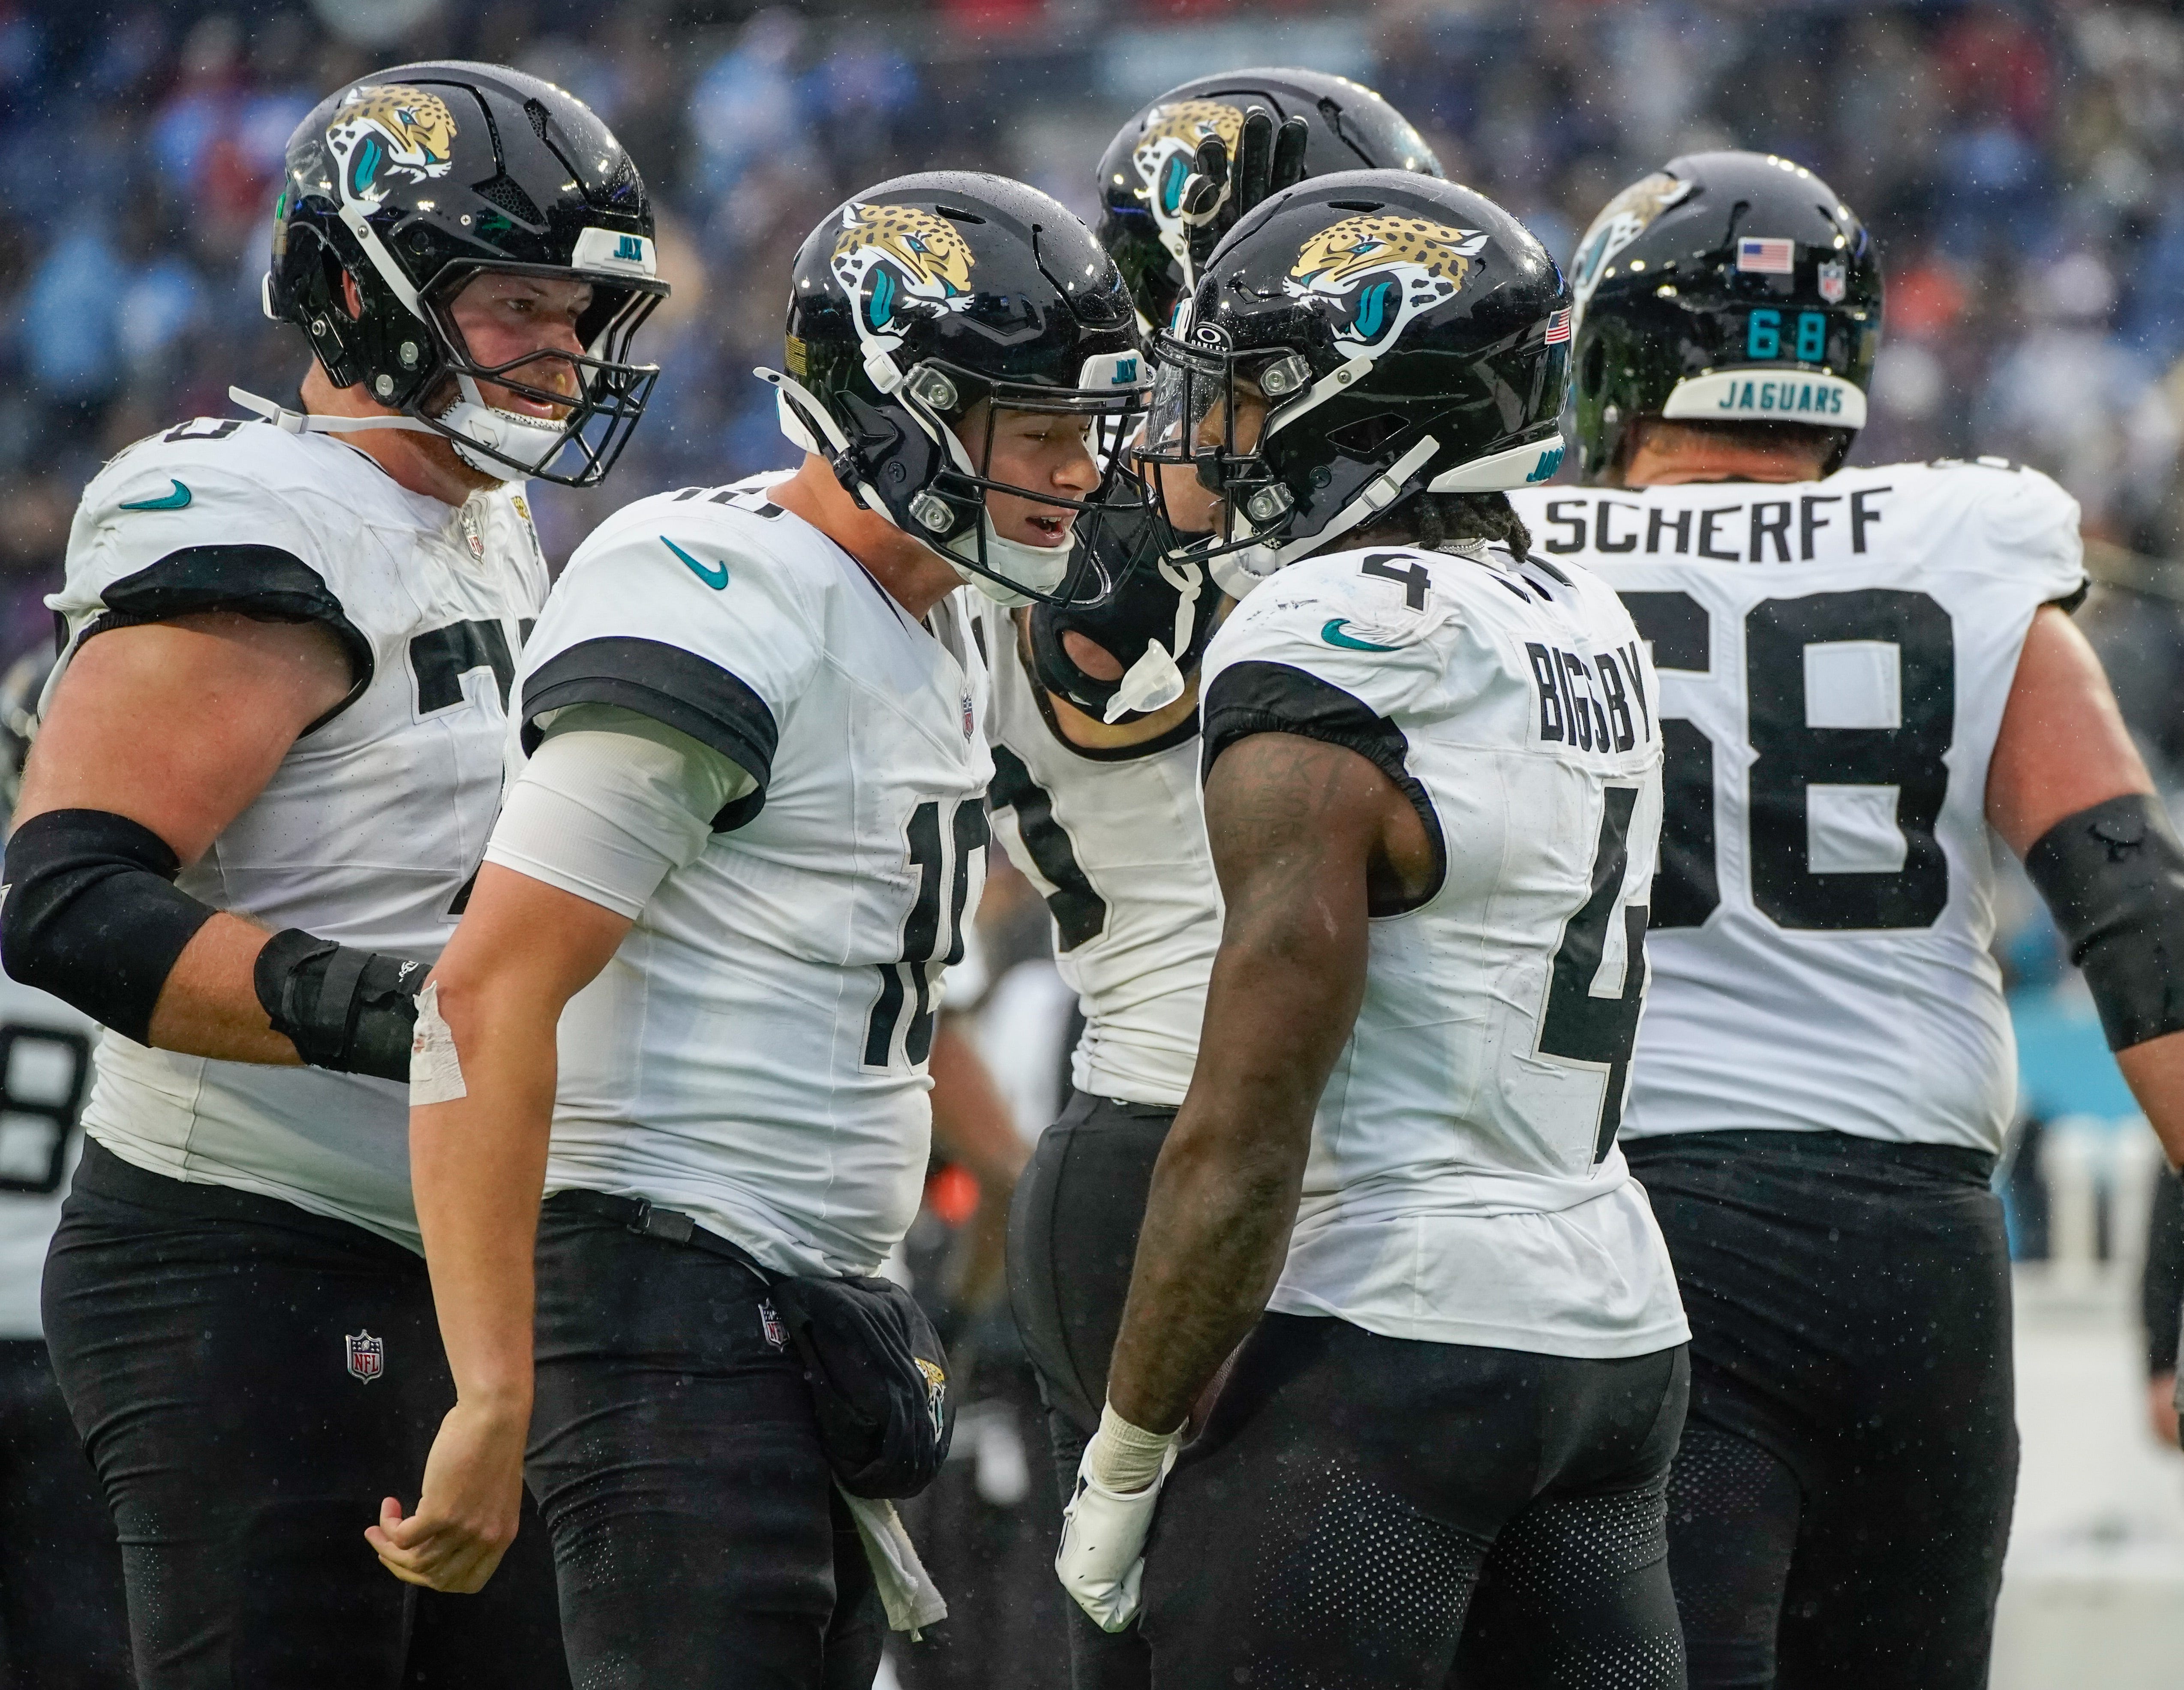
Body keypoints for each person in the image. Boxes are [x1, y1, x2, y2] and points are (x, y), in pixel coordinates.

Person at [370, 174, 1148, 1690]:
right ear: (905, 412)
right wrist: (489, 1388)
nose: (1079, 469)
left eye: (1088, 427)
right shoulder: (714, 587)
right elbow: (485, 991)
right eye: (1041, 429)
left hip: (811, 1301)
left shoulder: (939, 609)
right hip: (668, 1293)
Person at [8, 61, 668, 1687]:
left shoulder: (475, 513)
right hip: (247, 1252)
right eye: (521, 306)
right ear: (364, 294)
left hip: (454, 1249)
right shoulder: (255, 515)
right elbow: (67, 899)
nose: (565, 353)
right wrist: (421, 1019)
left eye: (582, 315)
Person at [1508, 149, 2184, 1688]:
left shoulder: (1516, 566)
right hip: (1918, 1255)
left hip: (1635, 1224)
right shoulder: (1963, 540)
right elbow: (2136, 923)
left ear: (1616, 361)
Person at [1055, 169, 1691, 1688]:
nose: (1201, 435)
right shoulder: (1576, 608)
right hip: (1610, 1330)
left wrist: (1129, 1447)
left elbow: (1251, 1118)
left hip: (1397, 1333)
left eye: (1250, 394)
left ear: (1365, 408)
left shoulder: (1330, 629)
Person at [997, 67, 1446, 1690]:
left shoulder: (1266, 500)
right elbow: (1115, 662)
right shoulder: (1096, 512)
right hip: (1188, 1137)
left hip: (1351, 1149)